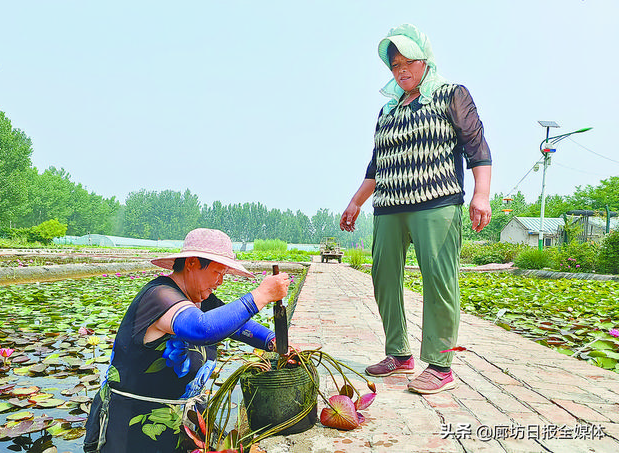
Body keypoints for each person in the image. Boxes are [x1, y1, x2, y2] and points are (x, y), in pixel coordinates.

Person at [340, 24, 492, 394]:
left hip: (436, 203)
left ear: (425, 61)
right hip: (390, 205)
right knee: (383, 277)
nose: (402, 70)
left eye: (409, 62)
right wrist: (355, 202)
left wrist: (481, 194)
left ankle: (440, 365)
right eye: (395, 66)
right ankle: (399, 354)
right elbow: (377, 165)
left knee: (439, 279)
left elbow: (477, 146)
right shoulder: (388, 110)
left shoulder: (450, 95)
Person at [84, 228, 290, 452]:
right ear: (191, 263)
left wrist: (273, 341)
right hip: (134, 434)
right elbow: (201, 328)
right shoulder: (159, 296)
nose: (220, 281)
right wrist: (261, 295)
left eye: (224, 274)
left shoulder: (202, 300)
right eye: (217, 272)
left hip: (183, 429)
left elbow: (240, 327)